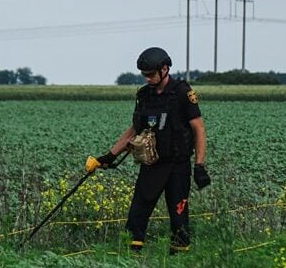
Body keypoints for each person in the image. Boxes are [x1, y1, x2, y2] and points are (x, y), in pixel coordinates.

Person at [86, 47, 210, 254]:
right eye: (144, 75)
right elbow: (135, 129)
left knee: (178, 214)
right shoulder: (144, 95)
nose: (148, 79)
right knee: (137, 212)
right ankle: (130, 255)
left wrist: (199, 165)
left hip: (178, 164)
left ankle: (179, 258)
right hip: (151, 164)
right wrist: (108, 157)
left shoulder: (182, 93)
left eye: (151, 75)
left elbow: (199, 129)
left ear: (165, 69)